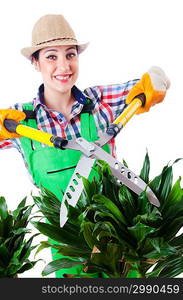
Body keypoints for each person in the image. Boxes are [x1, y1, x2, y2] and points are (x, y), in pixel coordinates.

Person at [0, 14, 170, 278]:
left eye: (70, 54)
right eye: (51, 56)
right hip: (68, 245)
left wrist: (153, 84)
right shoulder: (20, 120)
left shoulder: (99, 101)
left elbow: (155, 78)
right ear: (36, 63)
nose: (64, 66)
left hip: (118, 235)